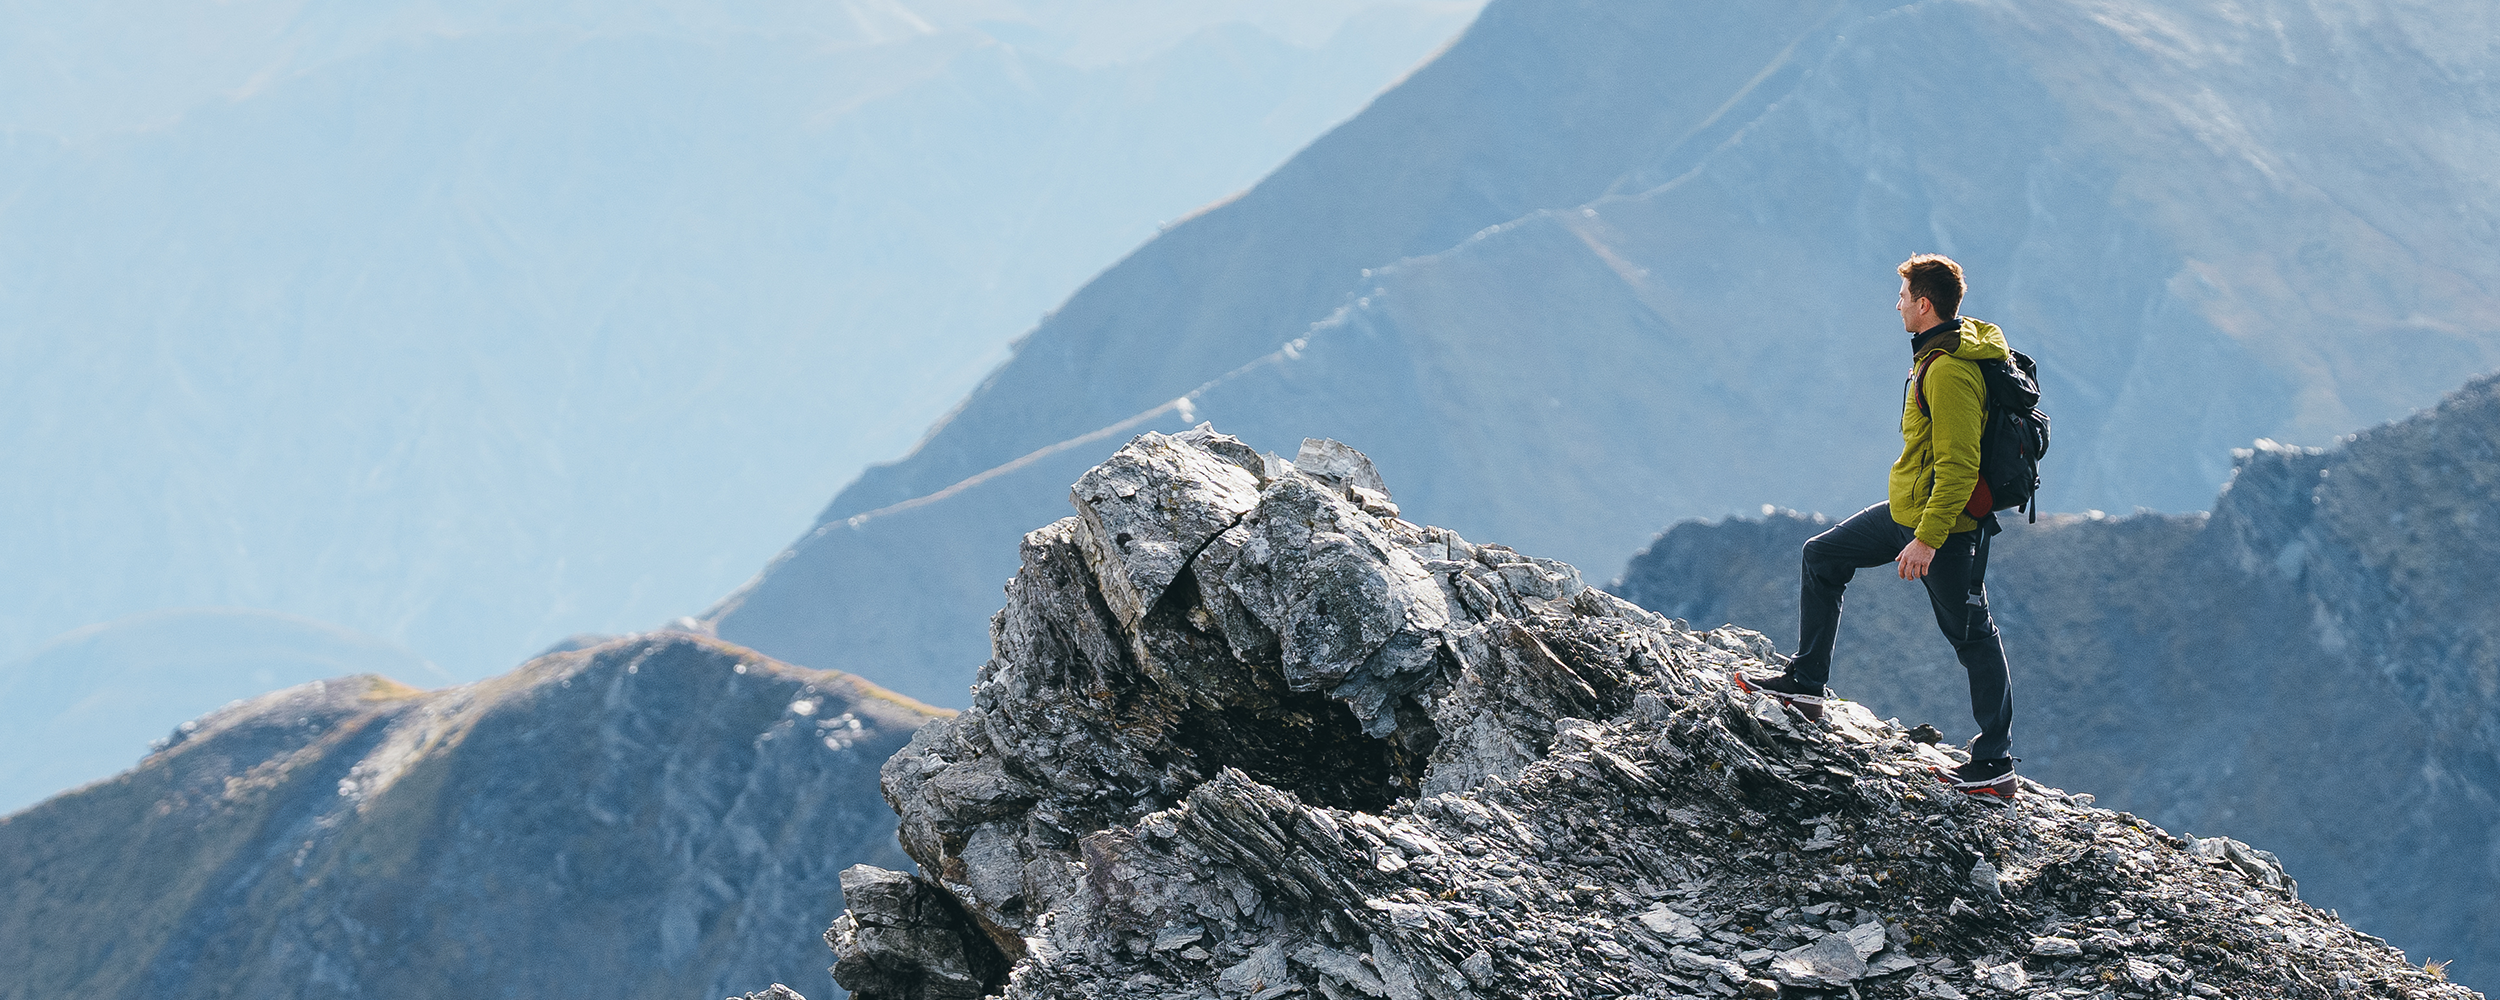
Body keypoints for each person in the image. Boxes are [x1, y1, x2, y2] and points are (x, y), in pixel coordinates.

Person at [1738, 253, 2020, 798]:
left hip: (1944, 529)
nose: (1896, 307)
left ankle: (1995, 763)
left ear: (1924, 304)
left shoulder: (1951, 371)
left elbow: (1960, 466)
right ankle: (1805, 684)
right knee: (1822, 556)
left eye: (1902, 298)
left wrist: (1927, 540)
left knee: (1972, 637)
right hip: (1905, 511)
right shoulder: (1933, 357)